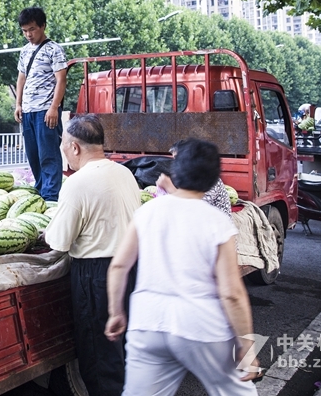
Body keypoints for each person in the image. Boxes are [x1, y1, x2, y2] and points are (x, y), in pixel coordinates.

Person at [105, 139, 260, 396]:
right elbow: (231, 293)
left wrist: (116, 312)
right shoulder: (217, 221)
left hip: (147, 323)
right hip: (201, 326)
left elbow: (119, 265)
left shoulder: (148, 211)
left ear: (175, 172)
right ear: (213, 178)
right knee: (236, 392)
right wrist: (246, 345)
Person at [44, 114, 143, 396]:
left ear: (74, 147)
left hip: (97, 275)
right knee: (125, 351)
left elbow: (59, 241)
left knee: (100, 359)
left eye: (63, 144)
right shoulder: (124, 173)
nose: (63, 150)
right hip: (132, 267)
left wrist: (47, 231)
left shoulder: (77, 183)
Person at [14, 7, 67, 201]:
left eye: (32, 29)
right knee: (33, 155)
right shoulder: (25, 51)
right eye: (24, 31)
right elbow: (21, 78)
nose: (28, 34)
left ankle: (51, 197)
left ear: (43, 26)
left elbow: (61, 80)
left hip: (45, 111)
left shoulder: (54, 49)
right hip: (27, 111)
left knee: (48, 155)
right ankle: (40, 191)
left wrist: (54, 108)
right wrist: (18, 104)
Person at [156, 139, 232, 215]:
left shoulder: (207, 177)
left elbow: (195, 208)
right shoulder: (187, 178)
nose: (175, 163)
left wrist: (169, 187)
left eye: (178, 158)